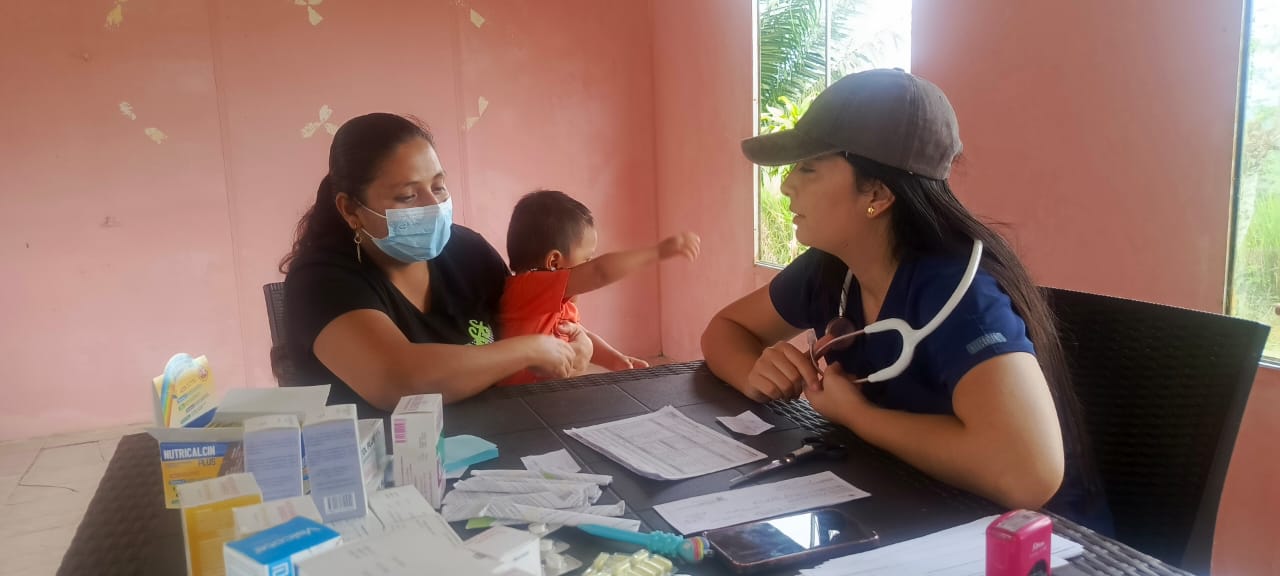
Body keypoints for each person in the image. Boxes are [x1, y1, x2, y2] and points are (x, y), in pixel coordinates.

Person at [701, 69, 1110, 530]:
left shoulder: (958, 293)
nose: (786, 185)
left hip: (1032, 541)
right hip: (905, 506)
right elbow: (725, 330)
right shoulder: (832, 268)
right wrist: (754, 374)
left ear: (877, 193)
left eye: (808, 168)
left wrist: (860, 417)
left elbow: (1027, 475)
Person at [279, 113, 578, 419]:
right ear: (351, 210)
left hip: (496, 434)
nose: (433, 208)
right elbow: (397, 380)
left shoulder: (467, 251)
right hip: (381, 447)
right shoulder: (320, 281)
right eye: (407, 196)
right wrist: (531, 350)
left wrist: (569, 345)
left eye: (438, 187)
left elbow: (523, 317)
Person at [500, 190, 700, 384]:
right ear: (554, 262)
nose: (589, 265)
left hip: (547, 395)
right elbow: (599, 272)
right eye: (587, 259)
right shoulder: (527, 288)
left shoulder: (555, 302)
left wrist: (614, 359)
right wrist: (657, 252)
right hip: (516, 399)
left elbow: (580, 334)